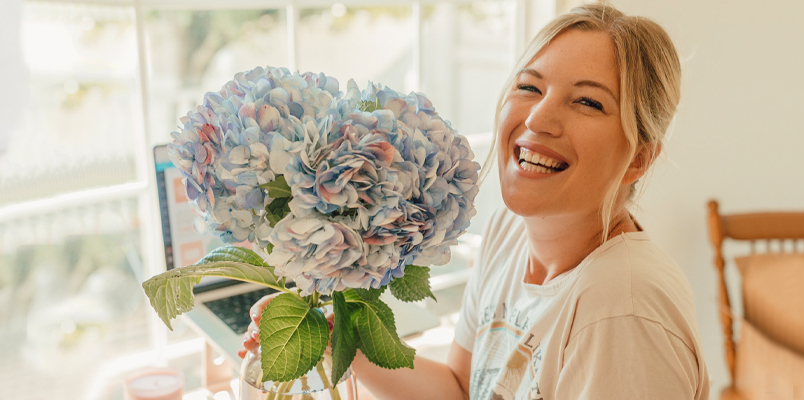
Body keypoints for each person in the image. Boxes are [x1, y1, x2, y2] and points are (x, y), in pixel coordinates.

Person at [242, 3, 710, 399]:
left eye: (588, 102)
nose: (539, 118)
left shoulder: (622, 314)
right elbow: (461, 386)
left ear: (638, 159)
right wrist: (336, 340)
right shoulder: (511, 230)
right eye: (529, 87)